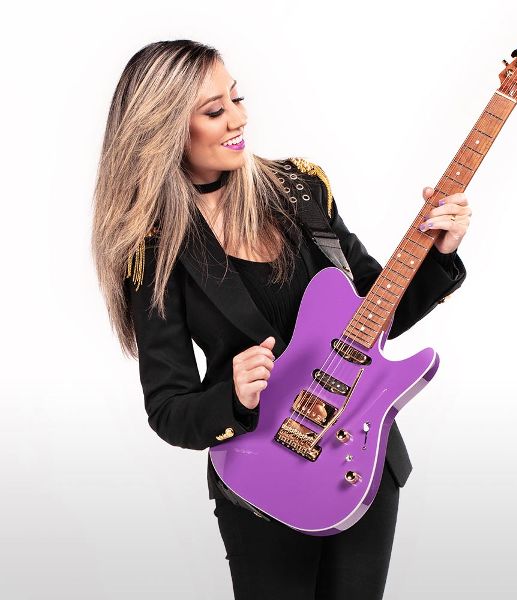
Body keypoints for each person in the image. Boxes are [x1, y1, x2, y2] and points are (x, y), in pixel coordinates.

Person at [91, 40, 470, 600]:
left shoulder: (300, 189)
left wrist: (437, 254)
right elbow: (169, 408)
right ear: (165, 129)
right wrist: (235, 396)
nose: (238, 119)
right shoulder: (155, 252)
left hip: (361, 454)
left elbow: (376, 314)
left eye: (237, 98)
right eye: (214, 111)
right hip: (263, 476)